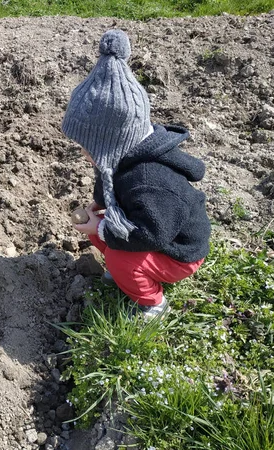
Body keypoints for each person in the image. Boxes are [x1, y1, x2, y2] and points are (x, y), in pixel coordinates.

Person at [61, 29, 211, 319]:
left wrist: (101, 229)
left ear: (111, 144)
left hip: (178, 250)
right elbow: (110, 184)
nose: (83, 152)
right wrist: (99, 206)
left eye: (87, 147)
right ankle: (128, 273)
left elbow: (152, 234)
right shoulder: (124, 158)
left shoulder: (149, 181)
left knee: (116, 251)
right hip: (154, 229)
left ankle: (152, 303)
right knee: (104, 229)